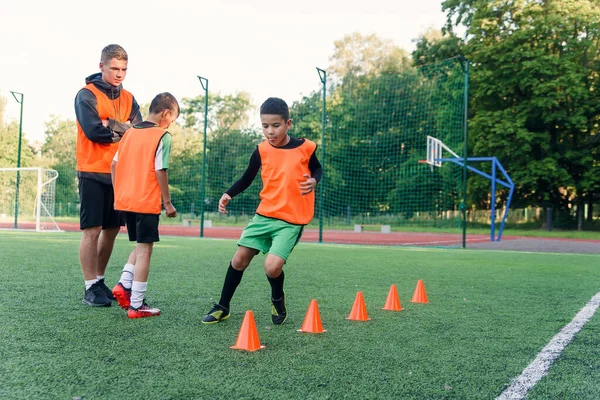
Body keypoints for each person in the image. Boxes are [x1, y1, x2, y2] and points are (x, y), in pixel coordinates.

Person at [202, 97, 323, 325]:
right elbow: (247, 177)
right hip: (264, 214)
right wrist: (228, 193)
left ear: (288, 124)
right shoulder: (261, 150)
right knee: (239, 260)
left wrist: (314, 181)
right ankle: (223, 306)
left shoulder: (306, 147)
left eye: (275, 125)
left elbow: (317, 168)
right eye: (265, 126)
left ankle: (277, 298)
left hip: (291, 219)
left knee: (272, 266)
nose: (270, 131)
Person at [75, 44, 142, 307]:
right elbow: (93, 131)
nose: (119, 74)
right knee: (92, 230)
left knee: (112, 229)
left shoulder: (129, 98)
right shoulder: (85, 95)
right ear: (101, 65)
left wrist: (111, 125)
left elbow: (136, 134)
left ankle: (100, 281)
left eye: (124, 69)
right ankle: (90, 286)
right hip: (92, 171)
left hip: (119, 172)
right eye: (114, 68)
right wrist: (121, 128)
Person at [110, 92, 179, 318]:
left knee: (141, 246)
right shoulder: (162, 136)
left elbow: (114, 165)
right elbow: (160, 170)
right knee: (146, 250)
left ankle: (123, 284)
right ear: (165, 113)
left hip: (126, 200)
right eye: (172, 119)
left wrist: (118, 192)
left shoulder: (129, 133)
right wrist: (167, 203)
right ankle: (137, 305)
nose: (171, 124)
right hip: (146, 200)